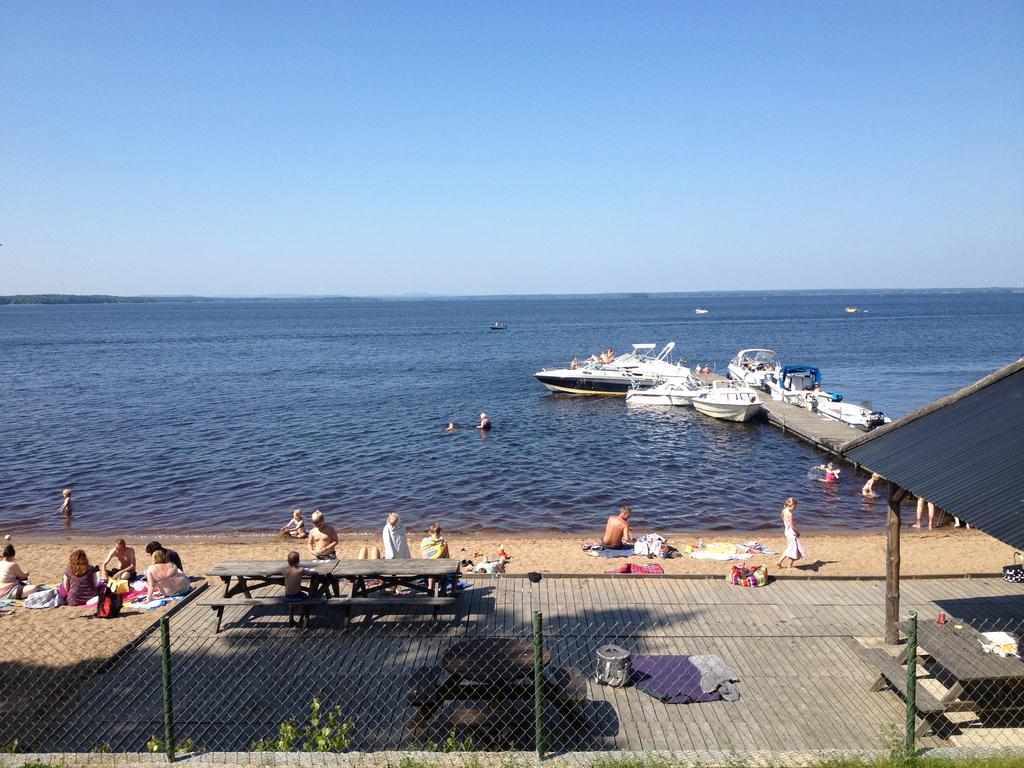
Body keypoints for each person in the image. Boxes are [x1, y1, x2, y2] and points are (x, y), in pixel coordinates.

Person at [776, 497, 809, 569]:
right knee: (794, 549)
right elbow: (792, 526)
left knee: (790, 548)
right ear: (791, 505)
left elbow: (784, 520)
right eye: (795, 507)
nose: (795, 508)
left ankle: (781, 562)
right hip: (791, 532)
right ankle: (787, 565)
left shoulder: (784, 510)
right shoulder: (790, 514)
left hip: (786, 532)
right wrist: (797, 532)